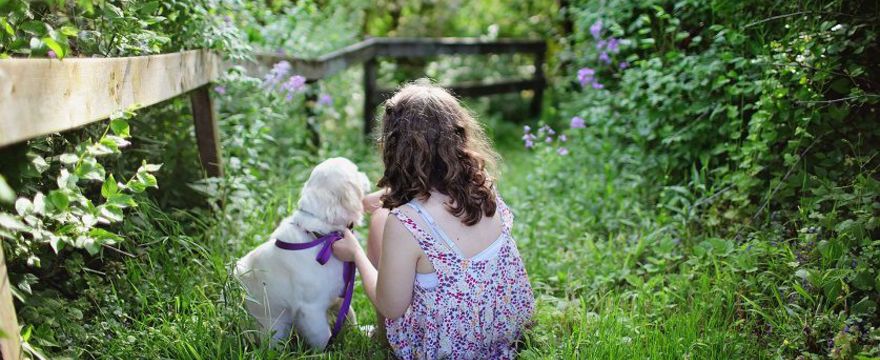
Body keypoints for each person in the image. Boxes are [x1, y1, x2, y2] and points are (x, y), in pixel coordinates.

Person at [332, 81, 535, 359]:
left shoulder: (405, 222)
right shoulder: (482, 186)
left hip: (447, 349)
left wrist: (356, 253)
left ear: (396, 148)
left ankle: (383, 338)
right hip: (503, 332)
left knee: (380, 220)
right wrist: (384, 195)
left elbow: (391, 307)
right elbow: (435, 198)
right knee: (383, 215)